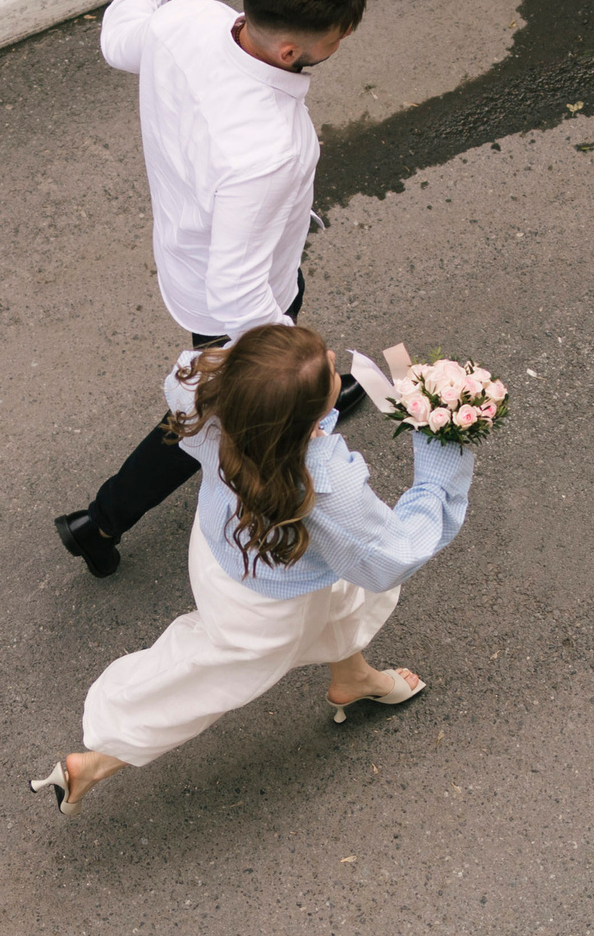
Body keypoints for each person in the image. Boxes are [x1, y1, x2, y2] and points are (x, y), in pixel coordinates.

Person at [32, 323, 476, 815]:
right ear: (306, 424)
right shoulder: (326, 486)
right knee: (209, 676)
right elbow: (392, 556)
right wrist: (439, 469)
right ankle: (94, 762)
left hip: (224, 549)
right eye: (330, 368)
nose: (333, 357)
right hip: (265, 604)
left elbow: (199, 372)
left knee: (340, 591)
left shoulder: (210, 394)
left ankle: (354, 676)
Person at [54, 0, 368, 580]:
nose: (341, 43)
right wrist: (305, 365)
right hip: (234, 296)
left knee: (221, 392)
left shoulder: (187, 19)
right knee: (214, 413)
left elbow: (118, 41)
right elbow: (236, 289)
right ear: (289, 53)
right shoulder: (268, 150)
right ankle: (102, 519)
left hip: (188, 251)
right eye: (337, 37)